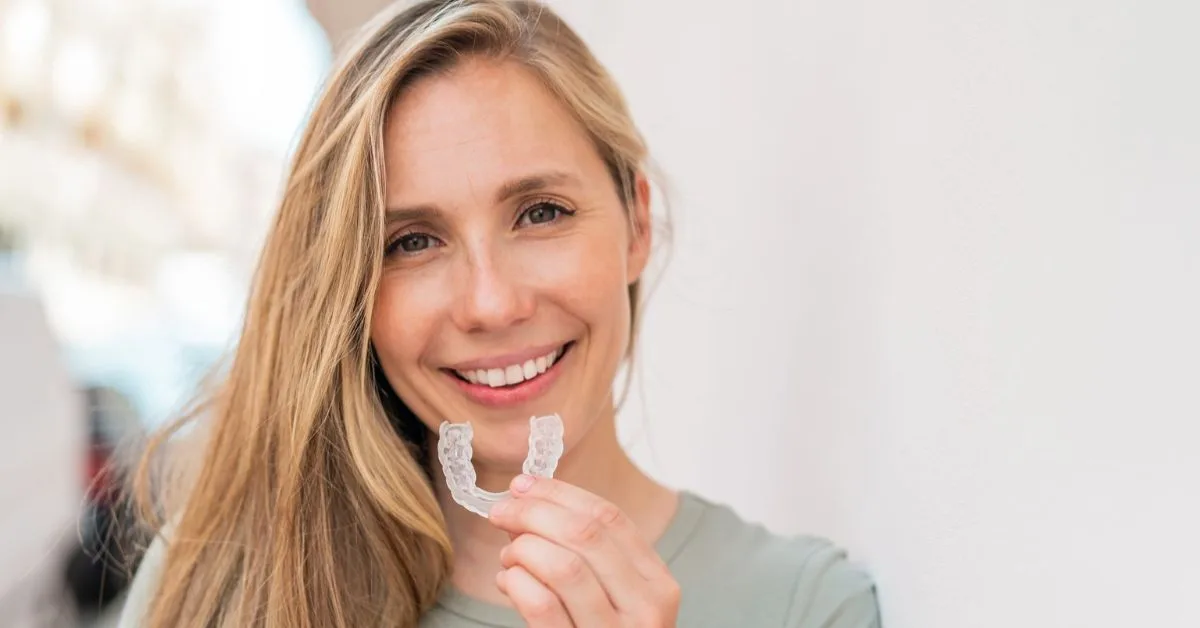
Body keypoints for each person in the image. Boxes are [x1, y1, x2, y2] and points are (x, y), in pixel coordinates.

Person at [119, 1, 881, 626]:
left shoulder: (804, 607)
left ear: (636, 225)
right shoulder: (214, 589)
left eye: (541, 213)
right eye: (412, 241)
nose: (491, 302)